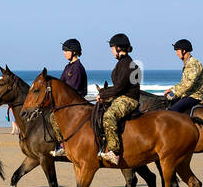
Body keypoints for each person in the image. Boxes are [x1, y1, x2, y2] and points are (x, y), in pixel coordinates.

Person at [96, 33, 140, 164]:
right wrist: (104, 92)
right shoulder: (122, 63)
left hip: (128, 99)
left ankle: (114, 152)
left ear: (119, 48)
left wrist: (103, 95)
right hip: (121, 95)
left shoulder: (128, 64)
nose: (111, 50)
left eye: (112, 47)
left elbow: (120, 87)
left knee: (109, 116)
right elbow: (118, 86)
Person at [51, 38, 87, 157]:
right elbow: (61, 84)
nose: (64, 53)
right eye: (64, 50)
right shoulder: (68, 67)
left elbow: (72, 90)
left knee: (53, 118)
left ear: (74, 52)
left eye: (66, 50)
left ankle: (62, 145)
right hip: (68, 103)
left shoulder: (77, 68)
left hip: (75, 104)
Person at [164, 39, 203, 112]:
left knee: (171, 112)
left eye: (177, 51)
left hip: (194, 96)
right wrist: (171, 89)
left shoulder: (192, 64)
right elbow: (184, 83)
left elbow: (188, 84)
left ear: (184, 51)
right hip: (188, 94)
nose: (176, 53)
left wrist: (174, 92)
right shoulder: (188, 63)